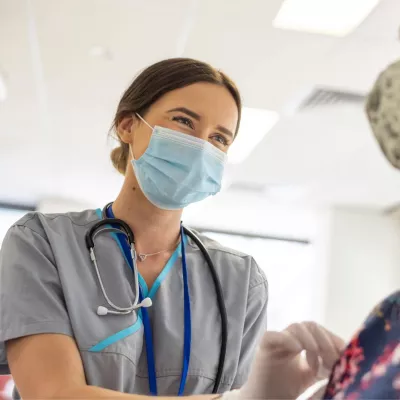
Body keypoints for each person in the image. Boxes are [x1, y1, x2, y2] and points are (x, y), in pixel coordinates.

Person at [0, 57, 344, 400]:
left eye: (219, 139)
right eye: (184, 121)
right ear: (127, 126)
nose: (201, 146)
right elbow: (54, 395)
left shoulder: (240, 280)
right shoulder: (42, 242)